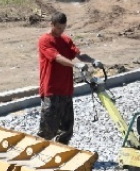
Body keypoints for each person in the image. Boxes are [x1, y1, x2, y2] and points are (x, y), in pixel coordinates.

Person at [37, 12, 103, 144]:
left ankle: (63, 153)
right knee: (48, 128)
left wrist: (92, 60)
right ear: (52, 24)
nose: (61, 31)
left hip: (66, 90)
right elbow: (57, 57)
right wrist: (75, 64)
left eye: (63, 28)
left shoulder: (66, 40)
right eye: (59, 28)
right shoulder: (45, 40)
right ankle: (40, 151)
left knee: (66, 128)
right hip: (51, 90)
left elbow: (78, 53)